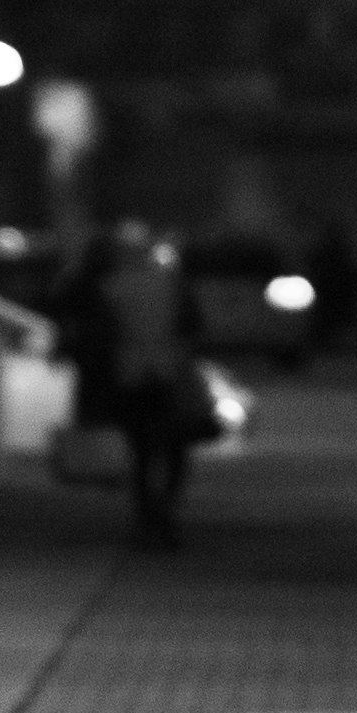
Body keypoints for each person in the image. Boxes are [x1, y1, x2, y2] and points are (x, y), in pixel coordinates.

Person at [94, 223, 201, 548]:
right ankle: (165, 512)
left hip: (131, 374)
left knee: (141, 450)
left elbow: (104, 332)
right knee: (174, 447)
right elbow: (192, 324)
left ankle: (147, 517)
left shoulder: (112, 287)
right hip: (168, 371)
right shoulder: (170, 284)